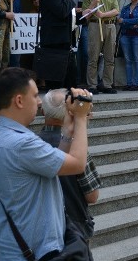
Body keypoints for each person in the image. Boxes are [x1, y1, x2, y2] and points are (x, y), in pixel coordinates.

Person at [0, 68, 93, 260]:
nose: (39, 101)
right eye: (34, 96)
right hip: (33, 251)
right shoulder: (21, 144)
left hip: (17, 248)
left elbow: (54, 165)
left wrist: (68, 132)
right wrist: (81, 118)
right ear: (19, 100)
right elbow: (77, 164)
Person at [38, 89, 101, 243]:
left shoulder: (32, 143)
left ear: (44, 110)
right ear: (69, 111)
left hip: (42, 226)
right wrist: (80, 121)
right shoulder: (77, 148)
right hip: (74, 226)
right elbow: (92, 196)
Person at [38, 0, 77, 89]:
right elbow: (61, 11)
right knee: (56, 82)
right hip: (54, 42)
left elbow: (67, 11)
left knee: (69, 80)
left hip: (64, 41)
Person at [81, 0, 120, 94]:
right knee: (93, 56)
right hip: (94, 25)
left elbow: (116, 10)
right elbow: (84, 15)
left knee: (109, 57)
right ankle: (92, 84)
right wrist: (93, 3)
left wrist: (103, 15)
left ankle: (107, 84)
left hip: (109, 25)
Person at [118, 0, 138, 91]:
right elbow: (119, 21)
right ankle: (129, 83)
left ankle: (137, 83)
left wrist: (125, 21)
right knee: (128, 60)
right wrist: (131, 23)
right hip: (125, 36)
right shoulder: (125, 8)